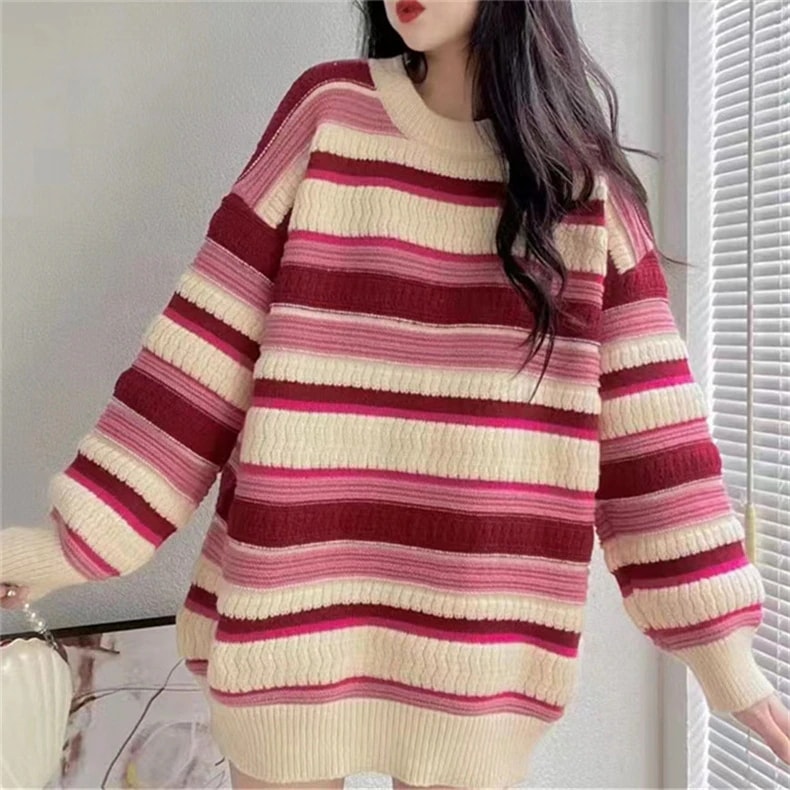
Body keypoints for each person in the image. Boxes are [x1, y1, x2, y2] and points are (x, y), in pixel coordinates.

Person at [2, 1, 788, 788]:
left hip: (477, 655)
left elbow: (653, 441)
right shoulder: (329, 115)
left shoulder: (583, 192)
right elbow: (201, 350)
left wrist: (721, 655)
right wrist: (77, 545)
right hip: (290, 624)